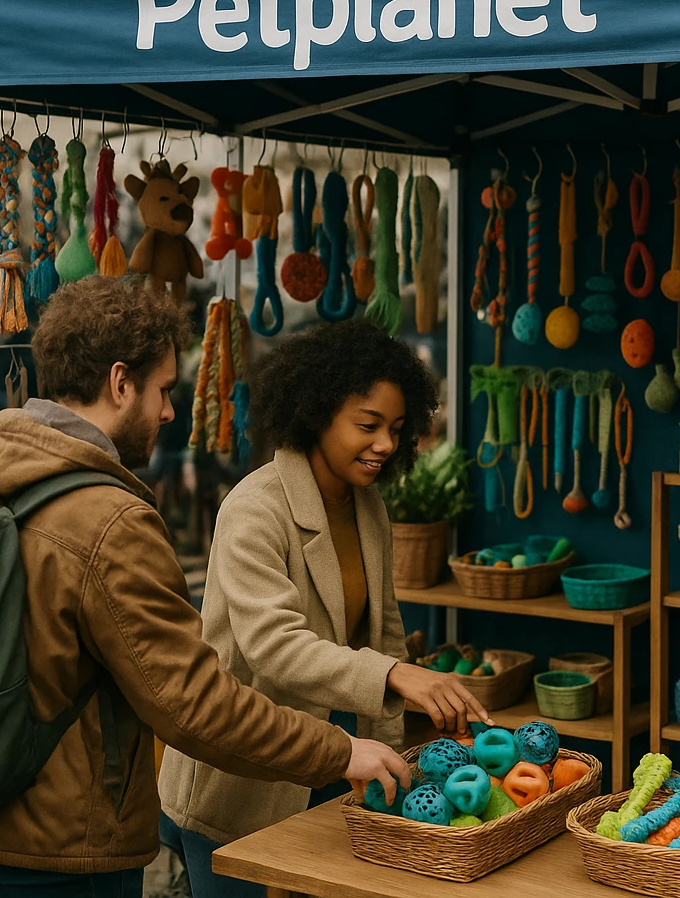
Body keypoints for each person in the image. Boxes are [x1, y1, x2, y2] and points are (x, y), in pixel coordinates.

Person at [0, 277, 409, 898]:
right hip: (52, 851)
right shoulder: (112, 522)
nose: (168, 411)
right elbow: (193, 702)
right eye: (163, 390)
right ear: (118, 382)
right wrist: (337, 752)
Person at [157, 319, 489, 898]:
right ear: (316, 414)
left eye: (396, 428)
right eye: (368, 425)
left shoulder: (369, 507)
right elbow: (274, 646)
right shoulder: (253, 509)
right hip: (243, 781)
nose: (385, 444)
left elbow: (384, 633)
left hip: (339, 771)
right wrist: (393, 674)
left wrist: (397, 776)